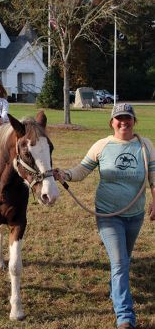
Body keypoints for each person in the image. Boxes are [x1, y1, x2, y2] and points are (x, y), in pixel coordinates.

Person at [54, 103, 155, 329]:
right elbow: (81, 171)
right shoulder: (102, 145)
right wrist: (66, 174)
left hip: (135, 214)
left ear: (134, 121)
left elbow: (153, 177)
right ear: (111, 122)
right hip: (108, 214)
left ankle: (115, 291)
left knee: (123, 261)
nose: (123, 122)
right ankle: (125, 316)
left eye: (127, 118)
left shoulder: (145, 145)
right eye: (119, 118)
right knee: (119, 261)